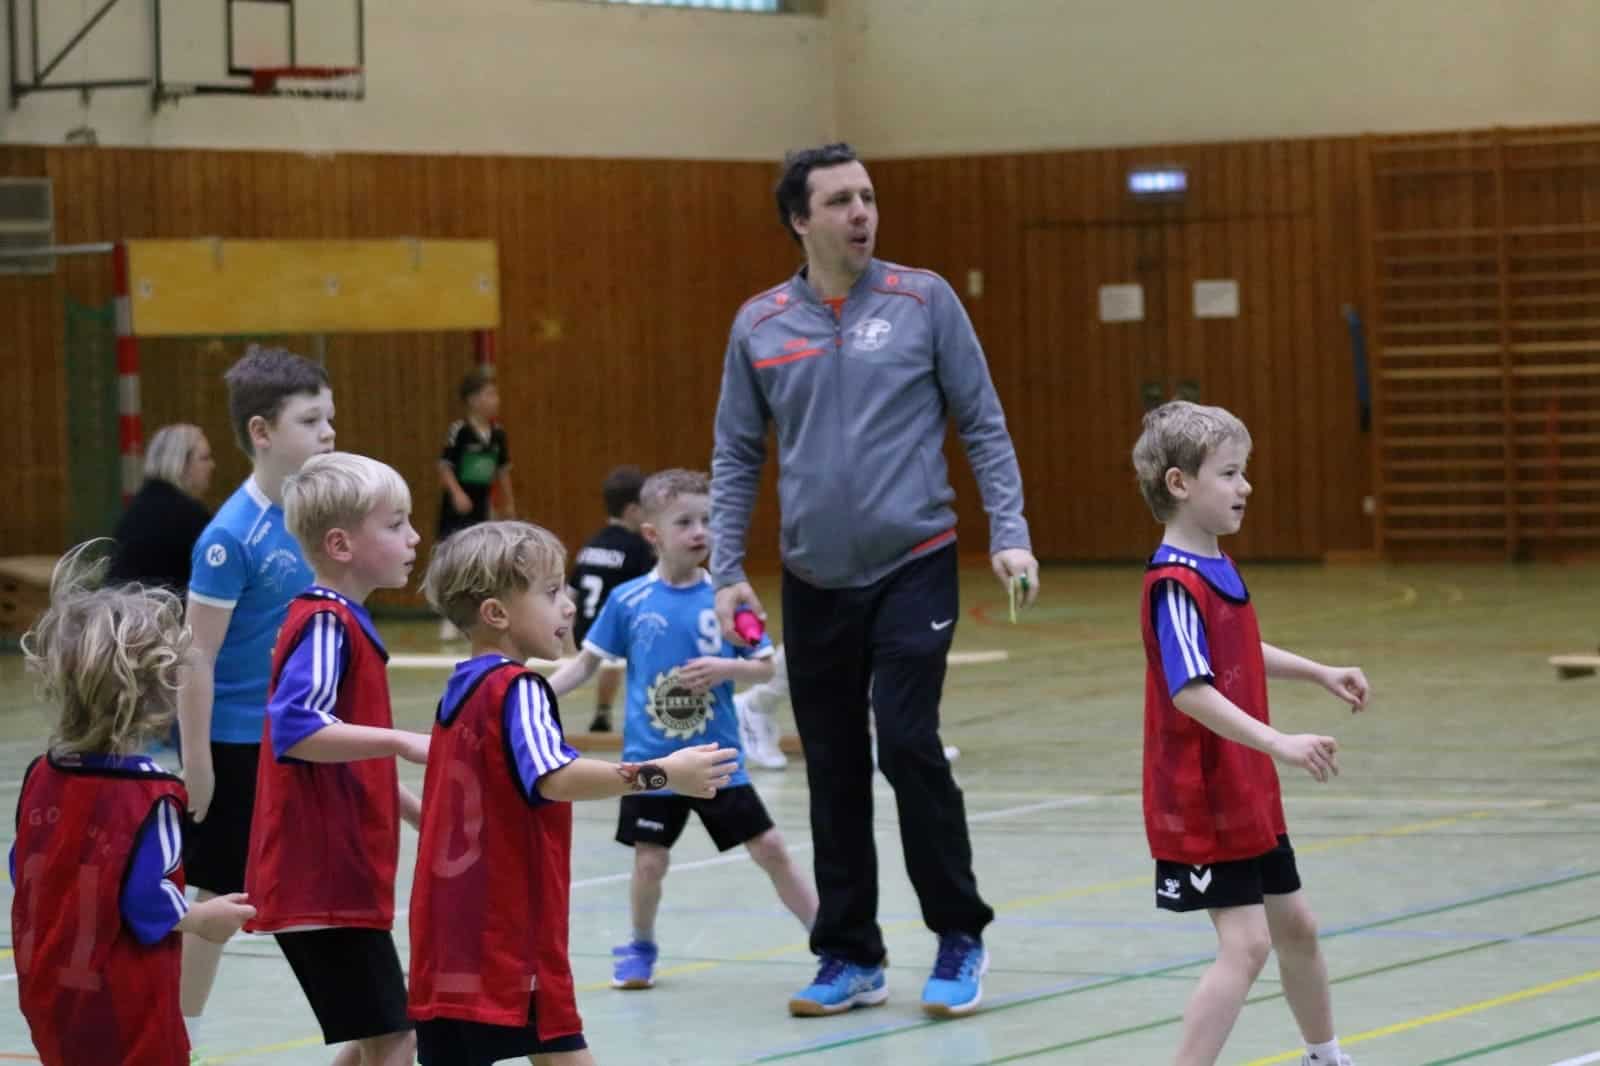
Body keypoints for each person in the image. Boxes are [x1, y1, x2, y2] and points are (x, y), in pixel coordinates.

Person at [710, 142, 1039, 1018]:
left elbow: (983, 422)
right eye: (840, 201)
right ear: (800, 219)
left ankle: (959, 934)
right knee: (832, 765)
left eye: (868, 196)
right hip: (814, 578)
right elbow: (737, 453)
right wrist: (725, 571)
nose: (861, 212)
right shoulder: (759, 324)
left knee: (904, 741)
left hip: (914, 562)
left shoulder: (924, 300)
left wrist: (1010, 535)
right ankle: (850, 955)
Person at [410, 520, 738, 1066]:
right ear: (496, 613)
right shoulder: (518, 689)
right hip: (506, 932)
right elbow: (556, 777)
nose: (569, 605)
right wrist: (663, 773)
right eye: (551, 592)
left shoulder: (460, 688)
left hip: (449, 930)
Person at [1131, 401, 1370, 1066]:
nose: (1247, 486)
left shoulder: (1216, 565)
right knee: (1247, 945)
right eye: (1230, 473)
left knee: (1297, 929)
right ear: (1180, 483)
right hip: (1203, 796)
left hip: (1245, 788)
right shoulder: (1174, 583)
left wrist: (1318, 672)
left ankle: (1324, 1057)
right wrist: (1279, 741)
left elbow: (1235, 647)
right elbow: (1190, 689)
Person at [548, 469, 817, 992]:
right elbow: (584, 665)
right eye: (685, 522)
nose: (700, 532)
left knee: (770, 848)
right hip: (652, 764)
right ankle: (640, 945)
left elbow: (765, 665)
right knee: (650, 862)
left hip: (718, 761)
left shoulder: (729, 598)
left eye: (708, 521)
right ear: (652, 534)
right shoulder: (628, 600)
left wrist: (726, 668)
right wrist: (528, 696)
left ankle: (830, 940)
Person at [10, 545, 256, 1065]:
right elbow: (149, 904)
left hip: (50, 994)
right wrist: (203, 918)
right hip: (126, 1006)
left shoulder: (41, 777)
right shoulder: (152, 797)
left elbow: (23, 870)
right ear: (159, 695)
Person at [243, 453, 431, 1066]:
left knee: (378, 1033)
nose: (414, 537)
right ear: (340, 544)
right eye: (396, 524)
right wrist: (401, 742)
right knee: (396, 1037)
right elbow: (298, 729)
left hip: (337, 875)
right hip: (320, 879)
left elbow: (346, 758)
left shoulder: (339, 620)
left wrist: (417, 813)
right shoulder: (327, 623)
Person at [176, 345, 335, 1044]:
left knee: (321, 880)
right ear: (262, 432)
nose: (329, 432)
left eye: (330, 418)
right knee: (222, 893)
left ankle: (371, 1027)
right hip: (239, 744)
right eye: (311, 420)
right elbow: (195, 655)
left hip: (302, 733)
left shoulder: (320, 520)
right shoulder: (229, 537)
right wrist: (199, 764)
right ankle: (176, 1030)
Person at [567, 465, 655, 732]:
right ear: (632, 510)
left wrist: (567, 635)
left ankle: (603, 711)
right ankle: (644, 711)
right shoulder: (639, 548)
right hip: (617, 632)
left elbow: (571, 592)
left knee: (608, 655)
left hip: (584, 630)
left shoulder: (592, 544)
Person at [107, 422, 217, 592]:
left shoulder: (139, 507)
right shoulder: (188, 517)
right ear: (180, 464)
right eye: (204, 458)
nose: (212, 465)